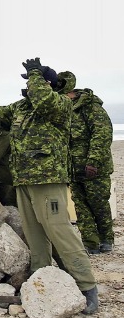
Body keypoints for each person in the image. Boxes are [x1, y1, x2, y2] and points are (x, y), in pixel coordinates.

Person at [0, 58, 99, 315]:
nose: (28, 84)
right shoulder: (20, 108)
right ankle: (40, 281)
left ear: (45, 83)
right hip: (24, 179)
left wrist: (37, 74)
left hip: (47, 179)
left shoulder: (58, 104)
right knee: (34, 235)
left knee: (59, 230)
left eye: (33, 80)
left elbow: (44, 98)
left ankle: (86, 285)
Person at [57, 71, 114, 254]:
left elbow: (102, 134)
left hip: (94, 168)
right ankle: (90, 242)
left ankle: (106, 238)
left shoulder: (90, 106)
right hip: (72, 168)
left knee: (98, 204)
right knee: (81, 207)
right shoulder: (61, 108)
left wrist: (93, 161)